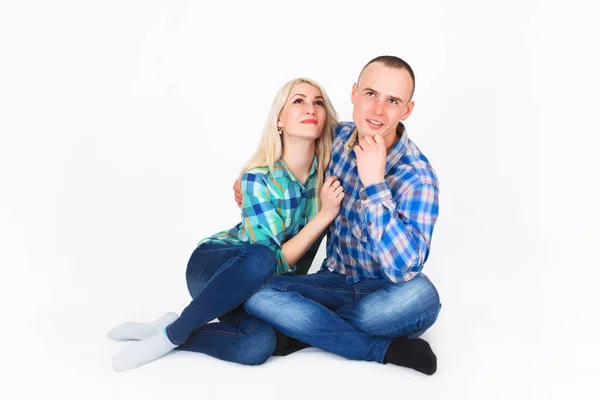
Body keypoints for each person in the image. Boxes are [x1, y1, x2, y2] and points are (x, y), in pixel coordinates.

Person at [107, 77, 343, 372]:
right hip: (215, 267)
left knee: (257, 345)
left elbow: (361, 134)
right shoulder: (257, 177)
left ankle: (174, 329)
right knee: (262, 257)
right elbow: (277, 261)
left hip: (264, 290)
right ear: (279, 120)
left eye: (318, 102)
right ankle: (172, 335)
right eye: (299, 100)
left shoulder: (332, 173)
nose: (311, 108)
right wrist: (324, 215)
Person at [235, 56, 442, 375]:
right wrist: (253, 178)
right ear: (354, 94)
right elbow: (291, 144)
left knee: (422, 296)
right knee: (257, 292)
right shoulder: (338, 140)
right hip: (333, 282)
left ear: (407, 111)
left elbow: (404, 270)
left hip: (384, 293)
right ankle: (375, 347)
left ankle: (305, 328)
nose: (377, 110)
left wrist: (374, 184)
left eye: (392, 101)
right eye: (371, 94)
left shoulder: (418, 178)